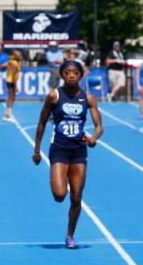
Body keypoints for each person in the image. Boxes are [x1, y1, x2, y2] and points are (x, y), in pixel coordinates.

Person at [32, 60, 103, 249]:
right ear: (62, 75)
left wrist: (94, 138)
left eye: (75, 72)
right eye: (67, 72)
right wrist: (36, 150)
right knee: (59, 195)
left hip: (79, 151)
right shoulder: (54, 96)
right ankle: (63, 192)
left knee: (77, 196)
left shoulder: (88, 98)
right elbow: (41, 123)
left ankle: (70, 235)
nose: (71, 75)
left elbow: (99, 126)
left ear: (81, 75)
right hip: (59, 149)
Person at [4, 49, 21, 120]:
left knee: (10, 98)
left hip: (9, 80)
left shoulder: (10, 62)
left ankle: (7, 114)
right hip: (12, 81)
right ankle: (8, 115)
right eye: (19, 55)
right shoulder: (15, 63)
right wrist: (16, 86)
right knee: (11, 98)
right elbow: (14, 75)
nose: (20, 56)